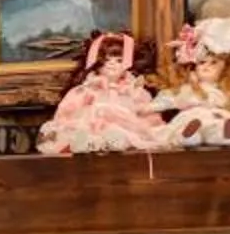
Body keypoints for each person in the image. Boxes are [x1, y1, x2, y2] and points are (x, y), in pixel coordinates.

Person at [37, 31, 172, 155]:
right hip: (89, 131)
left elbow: (148, 116)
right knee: (82, 126)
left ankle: (116, 140)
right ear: (98, 62)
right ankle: (84, 141)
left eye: (119, 61)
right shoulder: (86, 90)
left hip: (124, 134)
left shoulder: (135, 91)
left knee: (122, 131)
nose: (112, 64)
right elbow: (66, 114)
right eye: (107, 60)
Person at [154, 16, 230, 147]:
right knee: (186, 126)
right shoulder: (190, 88)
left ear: (226, 68)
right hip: (192, 117)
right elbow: (169, 98)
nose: (206, 66)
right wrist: (149, 107)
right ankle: (188, 136)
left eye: (214, 63)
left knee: (217, 126)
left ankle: (224, 135)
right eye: (202, 63)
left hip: (216, 118)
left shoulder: (227, 90)